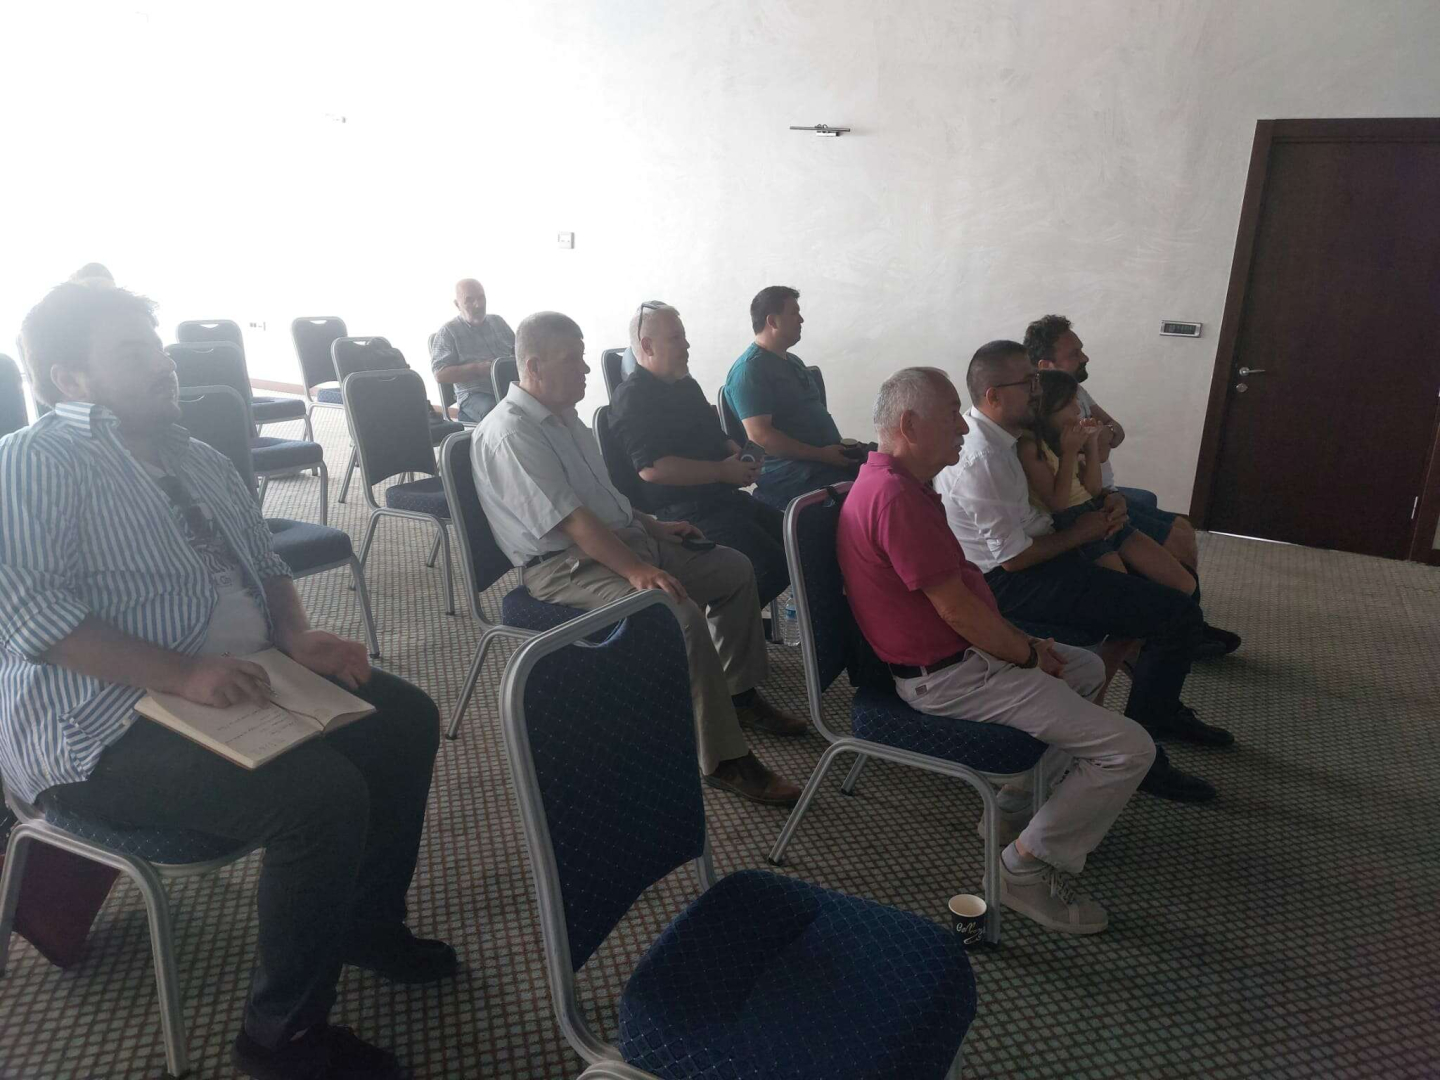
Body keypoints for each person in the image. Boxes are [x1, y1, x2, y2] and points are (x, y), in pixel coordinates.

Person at [1, 281, 450, 1080]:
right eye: (133, 353)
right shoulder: (35, 461)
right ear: (71, 378)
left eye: (157, 345)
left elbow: (266, 561)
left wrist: (296, 635)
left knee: (405, 719)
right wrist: (184, 673)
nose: (163, 363)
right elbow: (37, 620)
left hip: (238, 676)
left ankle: (364, 925)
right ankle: (281, 1040)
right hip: (104, 723)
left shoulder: (195, 454)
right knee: (320, 798)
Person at [837, 367, 1156, 934]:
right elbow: (957, 611)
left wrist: (1026, 646)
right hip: (948, 677)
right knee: (1129, 750)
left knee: (1084, 667)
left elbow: (961, 604)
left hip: (961, 657)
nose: (964, 427)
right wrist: (1026, 656)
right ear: (908, 425)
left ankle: (1014, 807)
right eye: (951, 416)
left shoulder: (895, 482)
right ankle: (1022, 870)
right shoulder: (895, 498)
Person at [471, 311, 805, 805]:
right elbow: (574, 523)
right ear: (535, 366)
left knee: (734, 569)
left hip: (620, 538)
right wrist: (638, 570)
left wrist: (652, 526)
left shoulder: (565, 418)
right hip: (564, 566)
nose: (587, 369)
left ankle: (738, 696)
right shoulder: (511, 433)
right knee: (677, 612)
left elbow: (606, 501)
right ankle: (723, 759)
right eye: (573, 359)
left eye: (584, 357)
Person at [936, 340, 1233, 802]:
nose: (1038, 391)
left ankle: (1155, 714)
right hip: (1009, 583)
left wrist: (1103, 505)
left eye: (1037, 381)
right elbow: (1013, 558)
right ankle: (1147, 749)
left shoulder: (1010, 438)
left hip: (1043, 553)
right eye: (1028, 383)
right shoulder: (982, 459)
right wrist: (1084, 530)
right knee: (1176, 616)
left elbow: (1060, 496)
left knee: (1167, 596)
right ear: (993, 395)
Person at [1024, 314, 1241, 657]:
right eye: (1074, 353)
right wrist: (1095, 443)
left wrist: (1098, 444)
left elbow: (1115, 434)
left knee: (1182, 535)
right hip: (1087, 512)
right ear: (1044, 367)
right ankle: (1179, 631)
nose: (1085, 357)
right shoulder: (1038, 439)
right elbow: (1071, 489)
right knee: (1143, 580)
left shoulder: (1077, 392)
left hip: (1104, 496)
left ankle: (1188, 624)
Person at [608, 301, 788, 607]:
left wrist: (741, 457)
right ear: (647, 346)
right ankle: (712, 626)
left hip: (722, 499)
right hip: (680, 513)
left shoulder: (686, 386)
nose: (687, 345)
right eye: (675, 338)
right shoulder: (632, 397)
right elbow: (652, 469)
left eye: (684, 336)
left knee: (797, 540)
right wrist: (722, 471)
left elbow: (717, 436)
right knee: (770, 566)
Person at [1020, 369, 1197, 595]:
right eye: (1068, 403)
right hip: (1072, 524)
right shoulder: (1030, 446)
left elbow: (1094, 489)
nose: (1077, 409)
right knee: (1122, 591)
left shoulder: (1062, 438)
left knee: (1185, 584)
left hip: (1097, 509)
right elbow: (1058, 504)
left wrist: (1091, 444)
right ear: (1046, 408)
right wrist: (1069, 453)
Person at [723, 285, 863, 510]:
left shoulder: (793, 361)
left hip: (826, 456)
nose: (801, 320)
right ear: (772, 321)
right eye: (794, 313)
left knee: (893, 466)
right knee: (867, 494)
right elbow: (761, 438)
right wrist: (823, 455)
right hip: (788, 470)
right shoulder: (749, 371)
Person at [430, 277, 515, 423]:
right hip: (475, 394)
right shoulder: (448, 332)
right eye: (469, 300)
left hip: (509, 388)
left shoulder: (498, 322)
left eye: (481, 298)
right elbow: (440, 374)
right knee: (503, 416)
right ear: (457, 304)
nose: (478, 305)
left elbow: (519, 352)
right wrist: (477, 369)